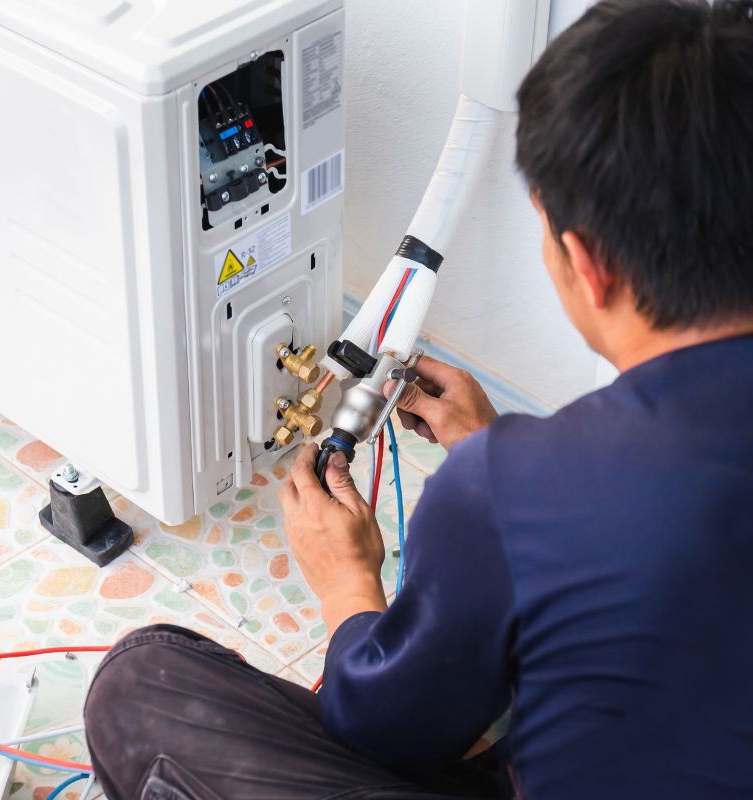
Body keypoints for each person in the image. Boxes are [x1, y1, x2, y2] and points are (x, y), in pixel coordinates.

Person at [83, 1, 753, 797]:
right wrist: (506, 464)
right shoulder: (532, 480)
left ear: (586, 261)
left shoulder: (513, 490)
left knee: (141, 682)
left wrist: (346, 583)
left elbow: (388, 731)